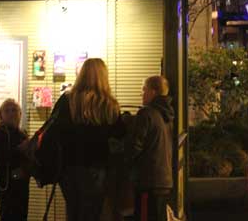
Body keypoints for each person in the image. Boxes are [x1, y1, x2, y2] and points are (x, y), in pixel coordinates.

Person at [53, 57, 125, 221]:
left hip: (69, 167)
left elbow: (55, 129)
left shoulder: (67, 100)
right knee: (92, 212)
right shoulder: (109, 104)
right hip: (96, 167)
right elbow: (120, 133)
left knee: (73, 211)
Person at [128, 75, 175, 221]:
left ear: (153, 92)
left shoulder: (147, 113)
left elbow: (134, 146)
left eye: (144, 89)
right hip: (163, 180)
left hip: (148, 181)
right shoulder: (166, 115)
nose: (141, 93)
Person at [0, 99, 30, 221]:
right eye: (7, 111)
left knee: (21, 214)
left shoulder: (22, 133)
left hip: (21, 182)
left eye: (14, 110)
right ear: (1, 115)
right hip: (7, 184)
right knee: (9, 214)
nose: (11, 113)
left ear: (20, 113)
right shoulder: (0, 133)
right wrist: (20, 149)